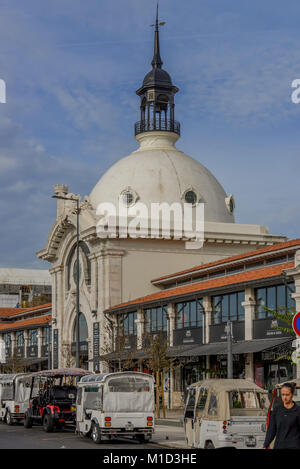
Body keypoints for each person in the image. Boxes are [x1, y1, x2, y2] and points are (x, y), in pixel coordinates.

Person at [263, 382, 300, 449]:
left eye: (287, 395)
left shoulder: (298, 410)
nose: (284, 397)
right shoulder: (277, 410)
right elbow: (271, 430)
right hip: (279, 446)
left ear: (292, 394)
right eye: (283, 395)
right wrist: (265, 445)